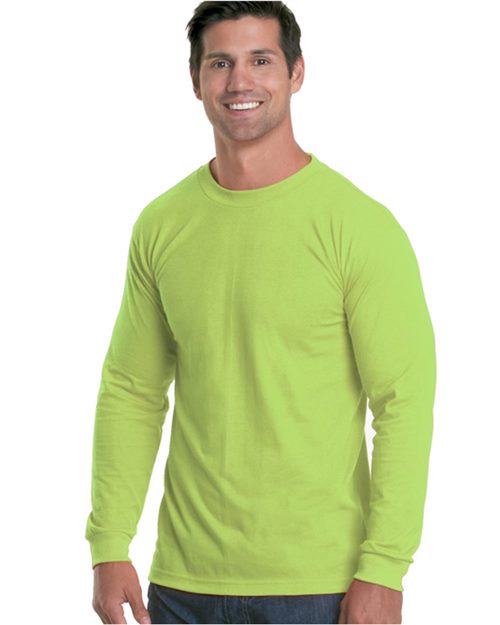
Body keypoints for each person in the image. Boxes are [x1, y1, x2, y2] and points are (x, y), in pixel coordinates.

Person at [85, 2, 436, 623]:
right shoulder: (162, 225)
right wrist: (109, 544)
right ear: (195, 80)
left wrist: (385, 567)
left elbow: (403, 402)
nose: (239, 82)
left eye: (261, 61)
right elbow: (132, 389)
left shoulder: (359, 227)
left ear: (296, 72)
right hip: (183, 585)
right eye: (220, 63)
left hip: (321, 586)